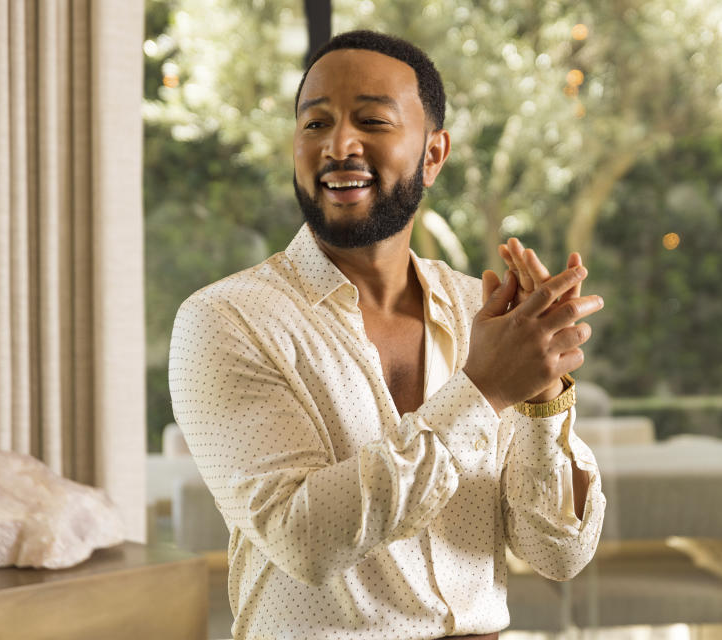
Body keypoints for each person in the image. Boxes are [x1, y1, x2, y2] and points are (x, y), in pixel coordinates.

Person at [169, 29, 606, 640]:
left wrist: (541, 397)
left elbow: (559, 554)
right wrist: (483, 391)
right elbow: (305, 540)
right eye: (314, 124)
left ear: (433, 154)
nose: (338, 145)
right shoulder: (226, 320)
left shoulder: (477, 309)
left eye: (372, 121)